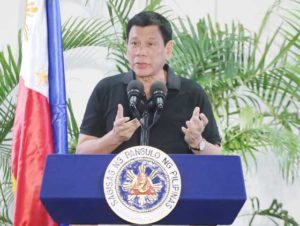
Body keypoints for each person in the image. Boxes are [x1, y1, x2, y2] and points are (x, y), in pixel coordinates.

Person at [76, 11, 221, 155]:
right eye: (134, 43)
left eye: (150, 44)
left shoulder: (192, 92)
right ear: (127, 46)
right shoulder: (107, 89)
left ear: (168, 49)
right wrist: (114, 138)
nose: (140, 52)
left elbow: (217, 156)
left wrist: (197, 142)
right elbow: (82, 152)